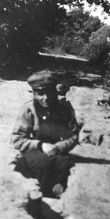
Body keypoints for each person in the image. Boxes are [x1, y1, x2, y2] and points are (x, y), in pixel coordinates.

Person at [12, 70, 82, 198]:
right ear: (34, 94)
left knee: (63, 167)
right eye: (40, 94)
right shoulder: (29, 109)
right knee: (42, 164)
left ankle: (55, 196)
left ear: (54, 91)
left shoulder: (64, 108)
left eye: (49, 92)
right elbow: (17, 139)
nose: (45, 98)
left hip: (58, 153)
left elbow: (73, 135)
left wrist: (58, 147)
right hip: (34, 152)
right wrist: (41, 145)